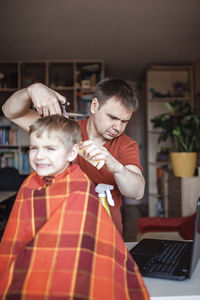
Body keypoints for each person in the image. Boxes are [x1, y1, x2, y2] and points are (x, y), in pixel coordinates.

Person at [0, 115, 149, 299]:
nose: (39, 156)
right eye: (33, 148)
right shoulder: (30, 184)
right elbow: (18, 237)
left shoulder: (79, 187)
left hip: (69, 269)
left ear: (72, 153)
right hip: (32, 269)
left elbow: (79, 246)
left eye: (50, 148)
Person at [2, 78, 145, 235]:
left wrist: (115, 165)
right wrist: (31, 90)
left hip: (108, 236)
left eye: (124, 121)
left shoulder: (126, 145)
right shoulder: (61, 131)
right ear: (95, 105)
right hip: (63, 233)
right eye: (112, 117)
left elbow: (136, 192)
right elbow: (10, 112)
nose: (118, 127)